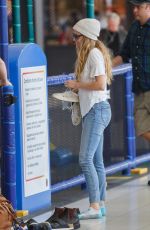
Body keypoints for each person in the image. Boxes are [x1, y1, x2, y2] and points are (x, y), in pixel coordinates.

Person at [64, 18, 112, 219]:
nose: (74, 40)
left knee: (85, 159)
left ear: (86, 37)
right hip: (96, 110)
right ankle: (100, 204)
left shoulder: (93, 55)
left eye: (76, 36)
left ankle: (93, 205)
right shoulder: (92, 55)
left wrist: (76, 85)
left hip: (96, 111)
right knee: (97, 162)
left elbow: (100, 84)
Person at [112, 0, 150, 185]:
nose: (134, 10)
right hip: (140, 88)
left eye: (139, 7)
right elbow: (124, 53)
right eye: (134, 7)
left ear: (148, 7)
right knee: (142, 129)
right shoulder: (134, 27)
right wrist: (106, 66)